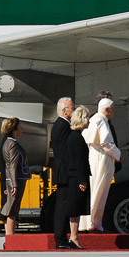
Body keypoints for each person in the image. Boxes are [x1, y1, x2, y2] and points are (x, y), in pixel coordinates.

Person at [80, 98, 120, 232]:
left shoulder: (93, 119)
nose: (113, 112)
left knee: (94, 191)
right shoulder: (101, 120)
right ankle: (95, 223)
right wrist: (118, 154)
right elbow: (106, 142)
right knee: (99, 191)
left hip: (93, 157)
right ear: (107, 110)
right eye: (112, 109)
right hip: (101, 159)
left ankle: (90, 222)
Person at [59, 105, 91, 249]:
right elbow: (79, 161)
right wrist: (82, 179)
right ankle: (74, 237)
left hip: (74, 177)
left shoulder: (73, 137)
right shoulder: (77, 138)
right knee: (75, 209)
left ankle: (74, 236)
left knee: (75, 209)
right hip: (77, 178)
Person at [51, 96, 75, 249]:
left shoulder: (59, 125)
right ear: (65, 111)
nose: (74, 110)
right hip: (65, 172)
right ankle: (60, 239)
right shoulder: (63, 126)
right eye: (72, 108)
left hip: (61, 171)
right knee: (62, 206)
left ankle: (61, 238)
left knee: (62, 205)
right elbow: (66, 152)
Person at [0, 118, 30, 236]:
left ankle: (10, 236)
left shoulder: (9, 142)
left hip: (14, 179)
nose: (22, 130)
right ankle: (10, 237)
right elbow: (12, 165)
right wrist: (14, 184)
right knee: (13, 209)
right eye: (20, 128)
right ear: (14, 130)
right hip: (16, 179)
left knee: (13, 207)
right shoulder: (12, 144)